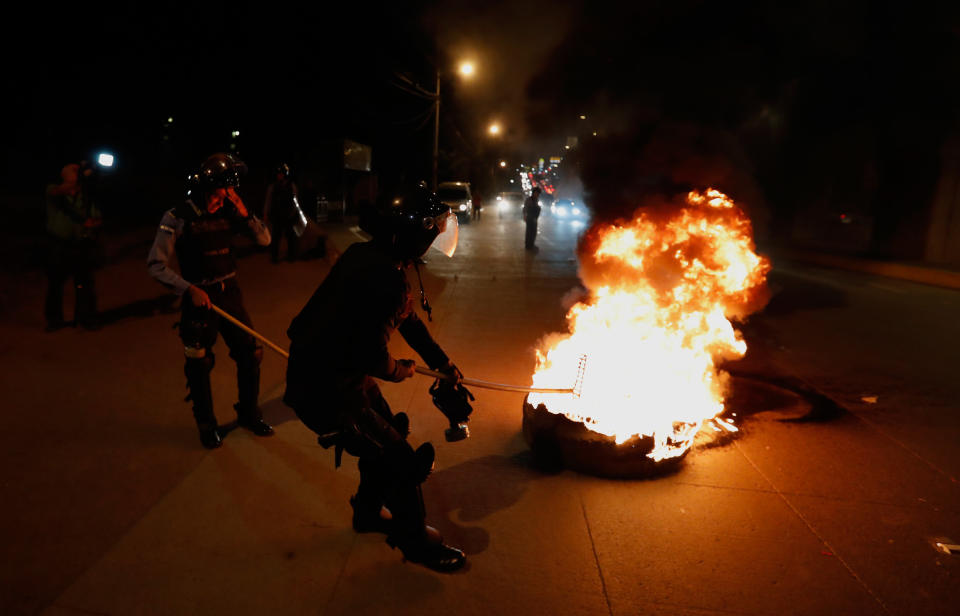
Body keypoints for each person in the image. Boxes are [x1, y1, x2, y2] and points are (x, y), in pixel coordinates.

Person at [284, 183, 468, 572]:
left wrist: (443, 362)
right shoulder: (385, 276)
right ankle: (417, 544)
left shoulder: (370, 256)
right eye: (430, 235)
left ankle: (366, 514)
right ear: (415, 234)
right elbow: (372, 356)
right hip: (325, 389)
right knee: (400, 458)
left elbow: (408, 321)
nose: (432, 243)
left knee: (385, 433)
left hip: (335, 372)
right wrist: (401, 370)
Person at [147, 153, 274, 449]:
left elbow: (265, 240)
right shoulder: (177, 217)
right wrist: (187, 288)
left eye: (231, 191)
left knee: (251, 354)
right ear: (207, 188)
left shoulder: (231, 210)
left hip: (230, 293)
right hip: (198, 297)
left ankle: (248, 414)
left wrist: (244, 211)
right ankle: (206, 424)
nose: (228, 196)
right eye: (224, 191)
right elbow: (155, 264)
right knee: (199, 363)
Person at [44, 161, 102, 331]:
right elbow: (58, 191)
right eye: (74, 170)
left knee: (84, 283)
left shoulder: (85, 196)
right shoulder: (54, 190)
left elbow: (98, 217)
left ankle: (86, 319)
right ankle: (54, 321)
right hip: (59, 243)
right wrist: (79, 178)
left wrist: (94, 224)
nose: (79, 172)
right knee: (55, 284)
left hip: (80, 244)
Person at [263, 163, 301, 263]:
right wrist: (266, 213)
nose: (279, 176)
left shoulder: (292, 186)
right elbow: (269, 200)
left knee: (290, 237)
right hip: (277, 216)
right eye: (278, 174)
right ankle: (274, 257)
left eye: (281, 174)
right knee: (275, 237)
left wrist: (294, 213)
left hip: (289, 215)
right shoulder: (273, 186)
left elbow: (295, 200)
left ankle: (291, 256)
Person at [522, 186, 542, 250]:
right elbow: (525, 208)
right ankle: (528, 245)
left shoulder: (537, 200)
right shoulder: (529, 200)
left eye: (538, 193)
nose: (537, 195)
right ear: (533, 193)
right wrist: (525, 215)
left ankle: (531, 244)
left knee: (533, 232)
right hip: (530, 218)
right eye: (536, 193)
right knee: (529, 232)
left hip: (534, 218)